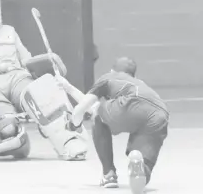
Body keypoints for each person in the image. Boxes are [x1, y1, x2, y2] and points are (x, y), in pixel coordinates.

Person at [0, 0, 89, 160]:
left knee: (44, 100)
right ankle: (17, 141)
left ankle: (69, 142)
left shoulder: (9, 30)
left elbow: (26, 60)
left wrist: (47, 58)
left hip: (17, 76)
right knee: (7, 130)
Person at [58, 57, 169, 190]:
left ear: (112, 70)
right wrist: (68, 87)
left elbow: (83, 108)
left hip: (132, 103)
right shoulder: (138, 83)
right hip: (160, 112)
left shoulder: (108, 78)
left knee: (98, 115)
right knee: (143, 158)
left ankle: (109, 174)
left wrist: (74, 124)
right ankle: (141, 170)